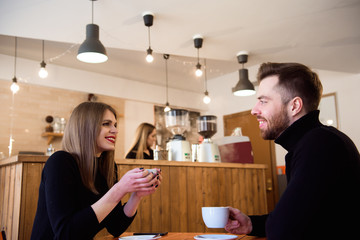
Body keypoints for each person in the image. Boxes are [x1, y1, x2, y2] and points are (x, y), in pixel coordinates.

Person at [225, 63, 360, 239]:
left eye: (263, 101)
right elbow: (304, 220)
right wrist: (251, 224)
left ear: (295, 106)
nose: (254, 110)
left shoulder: (319, 145)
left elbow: (283, 230)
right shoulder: (316, 141)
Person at [31, 102, 162, 240]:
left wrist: (137, 195)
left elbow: (116, 226)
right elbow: (66, 234)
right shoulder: (60, 162)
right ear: (85, 127)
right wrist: (119, 189)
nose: (115, 130)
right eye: (106, 124)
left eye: (115, 125)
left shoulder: (107, 168)